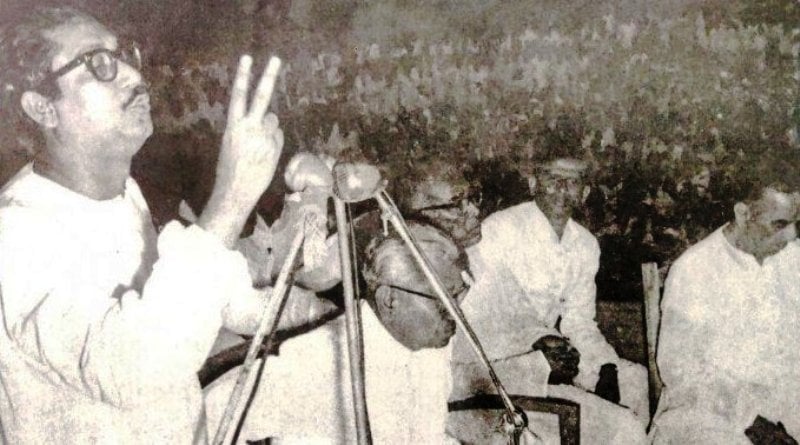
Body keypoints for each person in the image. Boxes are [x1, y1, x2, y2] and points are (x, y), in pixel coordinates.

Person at [0, 6, 330, 443]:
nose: (135, 76)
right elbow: (134, 368)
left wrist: (329, 304)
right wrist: (231, 198)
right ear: (42, 107)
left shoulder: (124, 194)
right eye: (98, 63)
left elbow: (230, 304)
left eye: (126, 56)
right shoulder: (17, 234)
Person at [204, 220, 467, 444]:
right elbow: (210, 413)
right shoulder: (323, 359)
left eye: (457, 295)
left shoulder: (428, 350)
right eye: (442, 300)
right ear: (389, 299)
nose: (456, 311)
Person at [449, 151, 648, 444]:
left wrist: (603, 365)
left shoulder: (585, 243)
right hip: (502, 362)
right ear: (533, 183)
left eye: (572, 182)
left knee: (633, 380)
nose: (562, 190)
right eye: (553, 180)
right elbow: (483, 316)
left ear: (585, 191)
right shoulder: (500, 229)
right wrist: (542, 354)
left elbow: (578, 321)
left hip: (556, 355)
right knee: (620, 425)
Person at [649, 168, 800, 444]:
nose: (790, 236)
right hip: (709, 413)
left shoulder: (793, 260)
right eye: (779, 224)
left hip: (786, 402)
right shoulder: (695, 270)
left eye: (795, 224)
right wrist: (752, 421)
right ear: (743, 214)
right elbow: (681, 373)